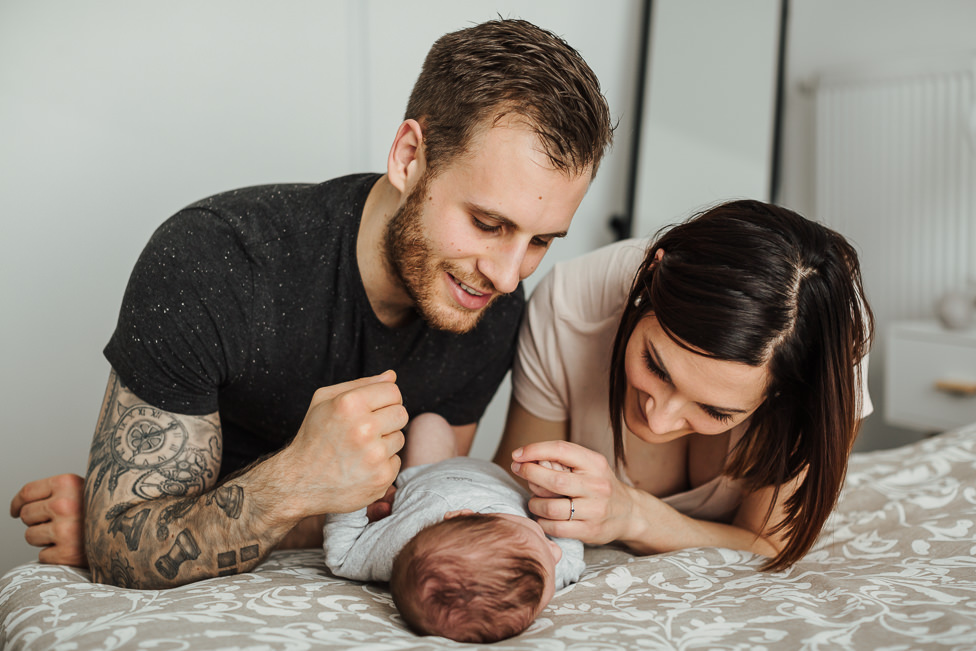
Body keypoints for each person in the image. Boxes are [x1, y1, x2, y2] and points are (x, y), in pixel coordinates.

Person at [8, 18, 614, 588]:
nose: (509, 276)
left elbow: (406, 508)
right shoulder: (214, 258)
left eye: (539, 241)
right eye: (487, 223)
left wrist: (147, 530)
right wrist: (296, 480)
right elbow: (124, 548)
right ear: (409, 158)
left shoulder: (487, 303)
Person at [494, 199, 874, 571]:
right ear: (650, 278)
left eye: (715, 411)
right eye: (656, 367)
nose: (658, 420)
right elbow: (510, 492)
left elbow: (769, 542)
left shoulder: (827, 355)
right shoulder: (570, 305)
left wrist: (635, 516)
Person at [324, 413, 584, 643]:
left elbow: (341, 555)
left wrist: (357, 487)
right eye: (551, 552)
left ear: (461, 515)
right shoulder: (543, 577)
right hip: (497, 477)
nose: (556, 552)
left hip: (426, 472)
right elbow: (570, 548)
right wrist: (555, 497)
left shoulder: (392, 547)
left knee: (430, 424)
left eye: (544, 541)